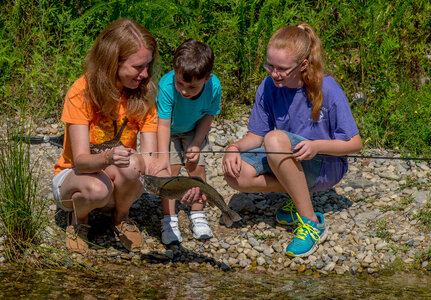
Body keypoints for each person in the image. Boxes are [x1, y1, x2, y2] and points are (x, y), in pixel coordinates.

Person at [222, 24, 362, 258]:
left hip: (326, 166)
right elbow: (257, 136)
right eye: (270, 66)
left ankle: (311, 223)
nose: (274, 73)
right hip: (288, 160)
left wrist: (317, 146)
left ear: (303, 65)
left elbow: (355, 144)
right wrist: (233, 148)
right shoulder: (268, 86)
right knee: (235, 174)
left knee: (274, 139)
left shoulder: (328, 88)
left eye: (282, 69)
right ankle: (298, 199)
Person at [52, 18, 162, 253]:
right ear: (113, 62)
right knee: (98, 188)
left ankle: (120, 217)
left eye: (147, 66)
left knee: (134, 164)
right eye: (137, 67)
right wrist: (109, 157)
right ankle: (79, 221)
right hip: (74, 178)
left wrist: (171, 177)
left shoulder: (143, 94)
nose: (144, 74)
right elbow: (80, 160)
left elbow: (150, 156)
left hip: (114, 179)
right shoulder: (81, 92)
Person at [155, 39, 221, 245]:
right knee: (170, 172)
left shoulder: (214, 86)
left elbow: (209, 115)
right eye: (180, 83)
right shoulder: (166, 86)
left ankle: (198, 213)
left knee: (196, 169)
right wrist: (163, 157)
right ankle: (169, 218)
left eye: (192, 87)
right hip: (170, 132)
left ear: (207, 79)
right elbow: (163, 125)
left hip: (195, 129)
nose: (184, 90)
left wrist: (196, 142)